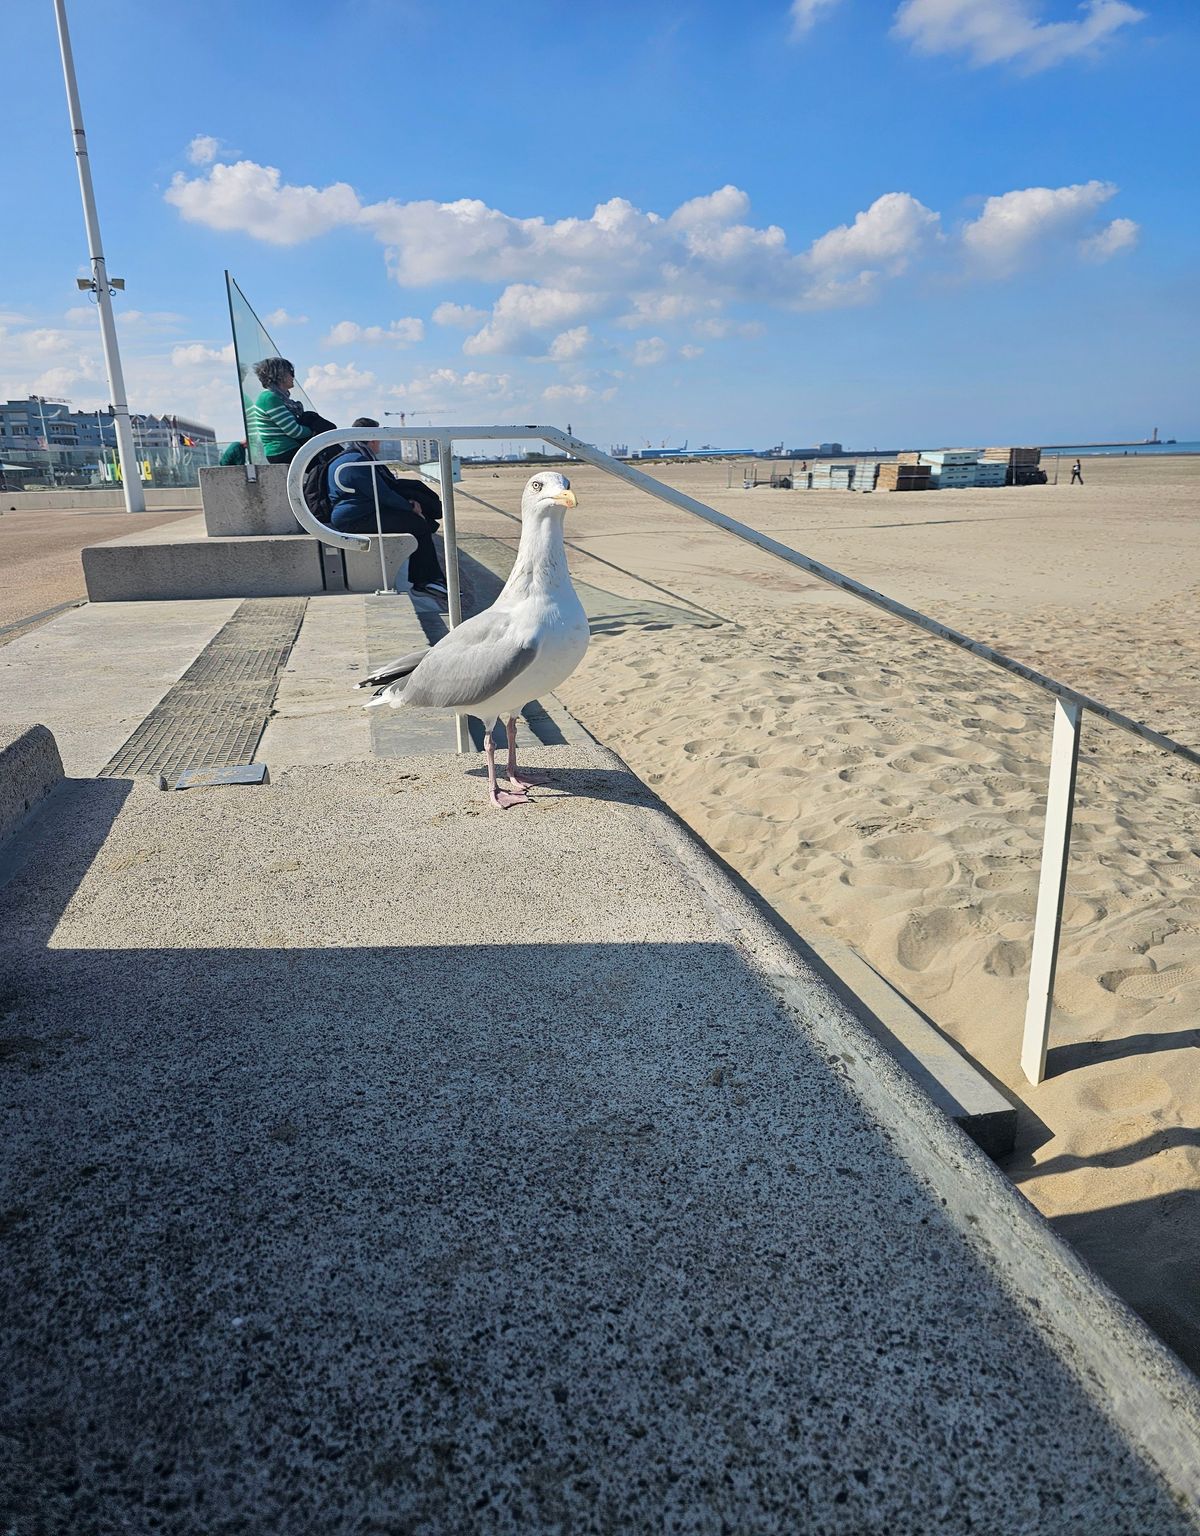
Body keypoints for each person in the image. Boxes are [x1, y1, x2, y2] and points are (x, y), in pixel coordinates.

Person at [326, 420, 447, 599]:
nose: (380, 443)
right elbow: (383, 494)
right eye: (378, 438)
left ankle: (430, 579)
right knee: (418, 525)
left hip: (358, 513)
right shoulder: (358, 461)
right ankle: (426, 581)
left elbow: (380, 493)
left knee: (420, 523)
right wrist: (410, 507)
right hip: (355, 519)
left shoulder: (350, 457)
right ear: (372, 439)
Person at [246, 358, 335, 464]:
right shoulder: (270, 398)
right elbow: (294, 431)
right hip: (284, 452)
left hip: (288, 449)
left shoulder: (277, 397)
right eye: (290, 372)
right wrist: (314, 431)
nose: (293, 376)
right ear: (280, 375)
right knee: (328, 463)